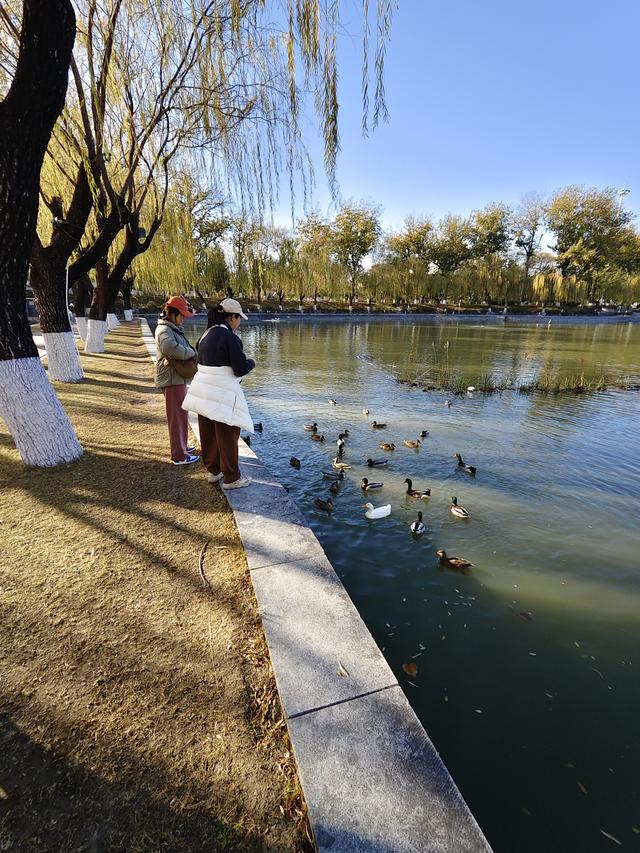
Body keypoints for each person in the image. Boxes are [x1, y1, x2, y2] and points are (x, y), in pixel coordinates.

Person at [182, 298, 255, 489]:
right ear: (232, 317)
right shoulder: (230, 337)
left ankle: (214, 471)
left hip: (202, 390)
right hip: (222, 393)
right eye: (239, 319)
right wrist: (252, 362)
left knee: (208, 433)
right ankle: (232, 478)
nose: (239, 324)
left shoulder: (205, 335)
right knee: (228, 433)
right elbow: (239, 368)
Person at [155, 295, 200, 465]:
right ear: (173, 314)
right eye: (182, 316)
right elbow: (171, 349)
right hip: (171, 379)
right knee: (176, 418)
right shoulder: (164, 331)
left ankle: (182, 447)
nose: (183, 319)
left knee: (181, 415)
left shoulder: (170, 329)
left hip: (176, 378)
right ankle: (179, 456)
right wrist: (192, 353)